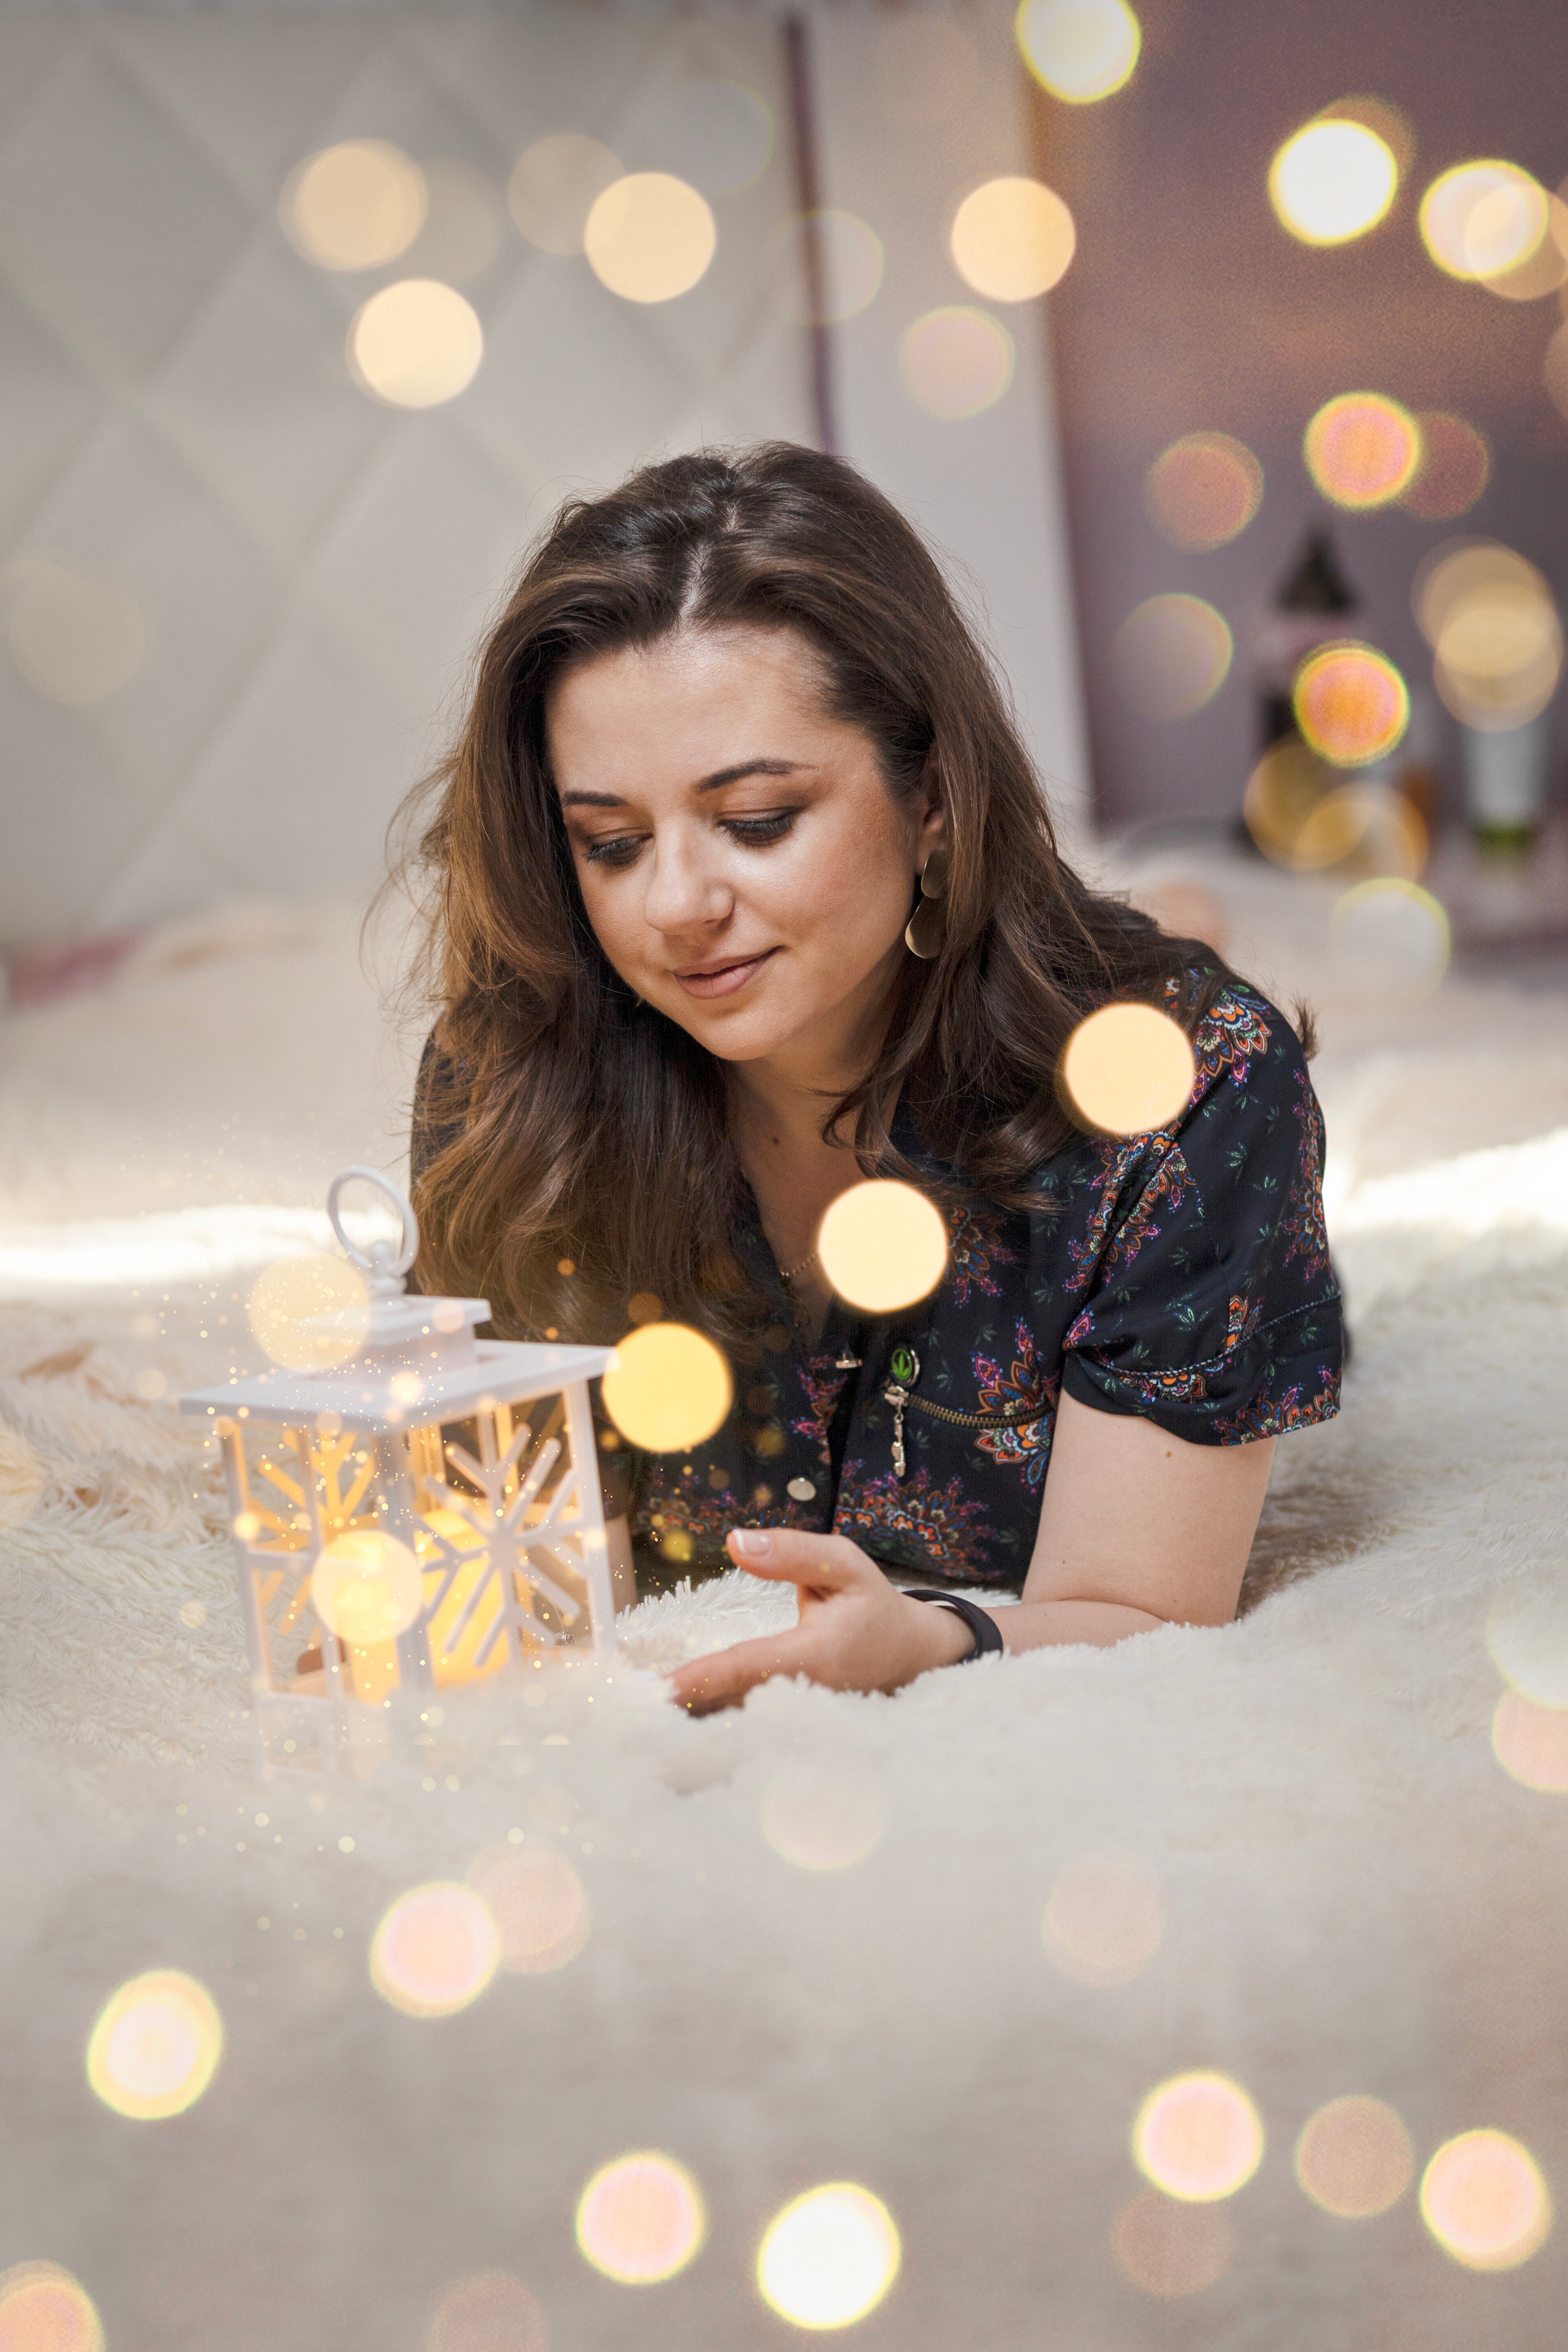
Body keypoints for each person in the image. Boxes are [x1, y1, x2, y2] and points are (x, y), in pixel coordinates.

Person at [396, 443, 1342, 1713]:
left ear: (934, 800)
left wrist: (934, 1647)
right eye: (611, 844)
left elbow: (1141, 1612)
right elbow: (503, 1561)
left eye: (757, 820)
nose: (676, 906)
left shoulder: (1181, 1094)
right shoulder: (515, 1080)